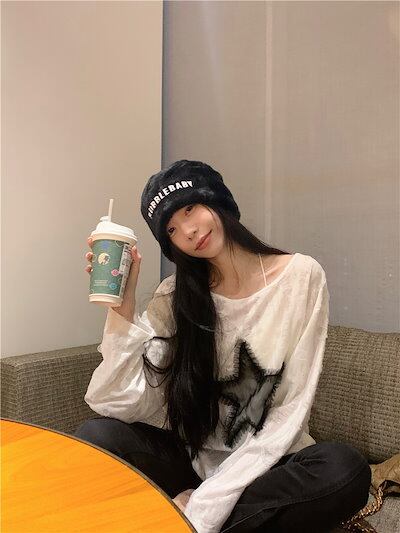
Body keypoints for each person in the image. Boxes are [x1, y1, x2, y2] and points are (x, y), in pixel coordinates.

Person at [75, 160, 371, 533]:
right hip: (193, 461)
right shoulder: (176, 296)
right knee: (95, 438)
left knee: (346, 469)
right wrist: (123, 308)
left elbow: (290, 410)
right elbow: (113, 401)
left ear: (216, 199)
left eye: (189, 208)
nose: (189, 230)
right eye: (172, 229)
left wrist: (202, 506)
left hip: (268, 465)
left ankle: (175, 520)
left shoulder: (300, 277)